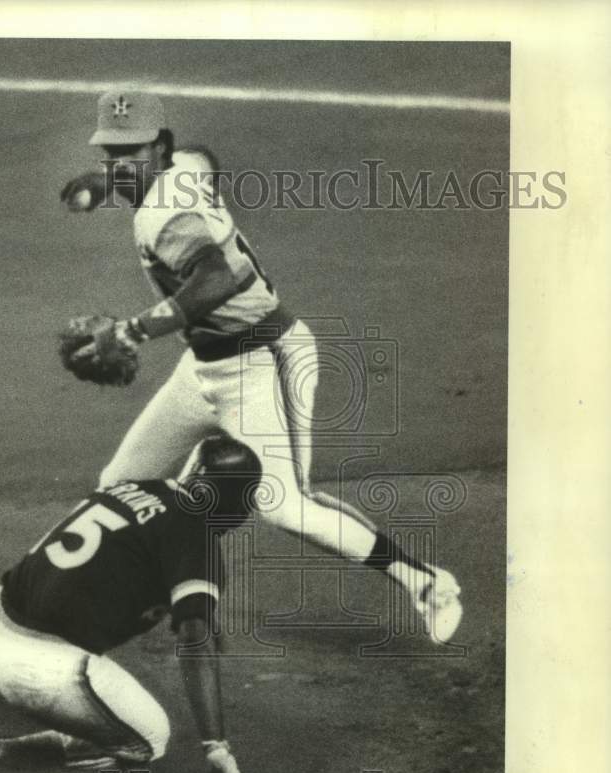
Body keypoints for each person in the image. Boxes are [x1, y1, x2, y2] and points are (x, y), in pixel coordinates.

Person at [58, 90, 463, 643]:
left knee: (285, 504)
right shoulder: (180, 168)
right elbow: (201, 156)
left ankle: (426, 582)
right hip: (202, 368)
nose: (119, 162)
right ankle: (85, 599)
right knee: (119, 484)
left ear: (160, 148)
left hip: (266, 362)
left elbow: (222, 279)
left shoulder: (165, 212)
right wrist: (105, 180)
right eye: (111, 152)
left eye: (131, 152)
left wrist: (131, 330)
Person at [0, 436, 263, 773]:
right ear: (234, 503)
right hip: (37, 670)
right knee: (149, 741)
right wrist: (217, 748)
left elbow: (133, 551)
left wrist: (197, 612)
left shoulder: (136, 488)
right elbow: (195, 644)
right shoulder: (198, 541)